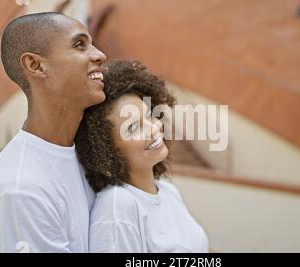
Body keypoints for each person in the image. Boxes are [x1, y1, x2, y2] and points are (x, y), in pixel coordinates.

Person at [0, 12, 107, 252]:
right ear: (35, 65)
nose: (100, 55)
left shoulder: (86, 151)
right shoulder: (21, 189)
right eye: (80, 45)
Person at [75, 59, 209, 252]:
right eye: (133, 127)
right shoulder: (117, 207)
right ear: (106, 151)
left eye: (149, 116)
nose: (154, 128)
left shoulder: (167, 190)